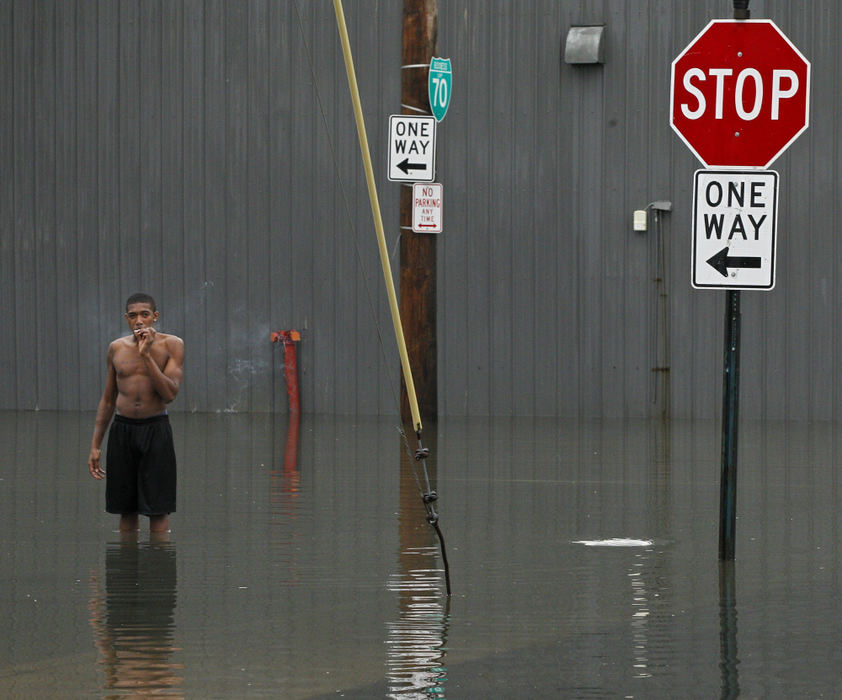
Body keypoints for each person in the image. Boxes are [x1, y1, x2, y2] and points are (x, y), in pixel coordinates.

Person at [88, 293, 185, 533]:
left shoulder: (172, 344)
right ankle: (126, 568)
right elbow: (108, 400)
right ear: (126, 319)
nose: (139, 321)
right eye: (133, 316)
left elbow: (169, 394)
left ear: (155, 317)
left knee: (158, 511)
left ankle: (158, 567)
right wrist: (95, 445)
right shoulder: (116, 348)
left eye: (145, 314)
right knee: (126, 510)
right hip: (123, 430)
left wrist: (146, 354)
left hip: (156, 430)